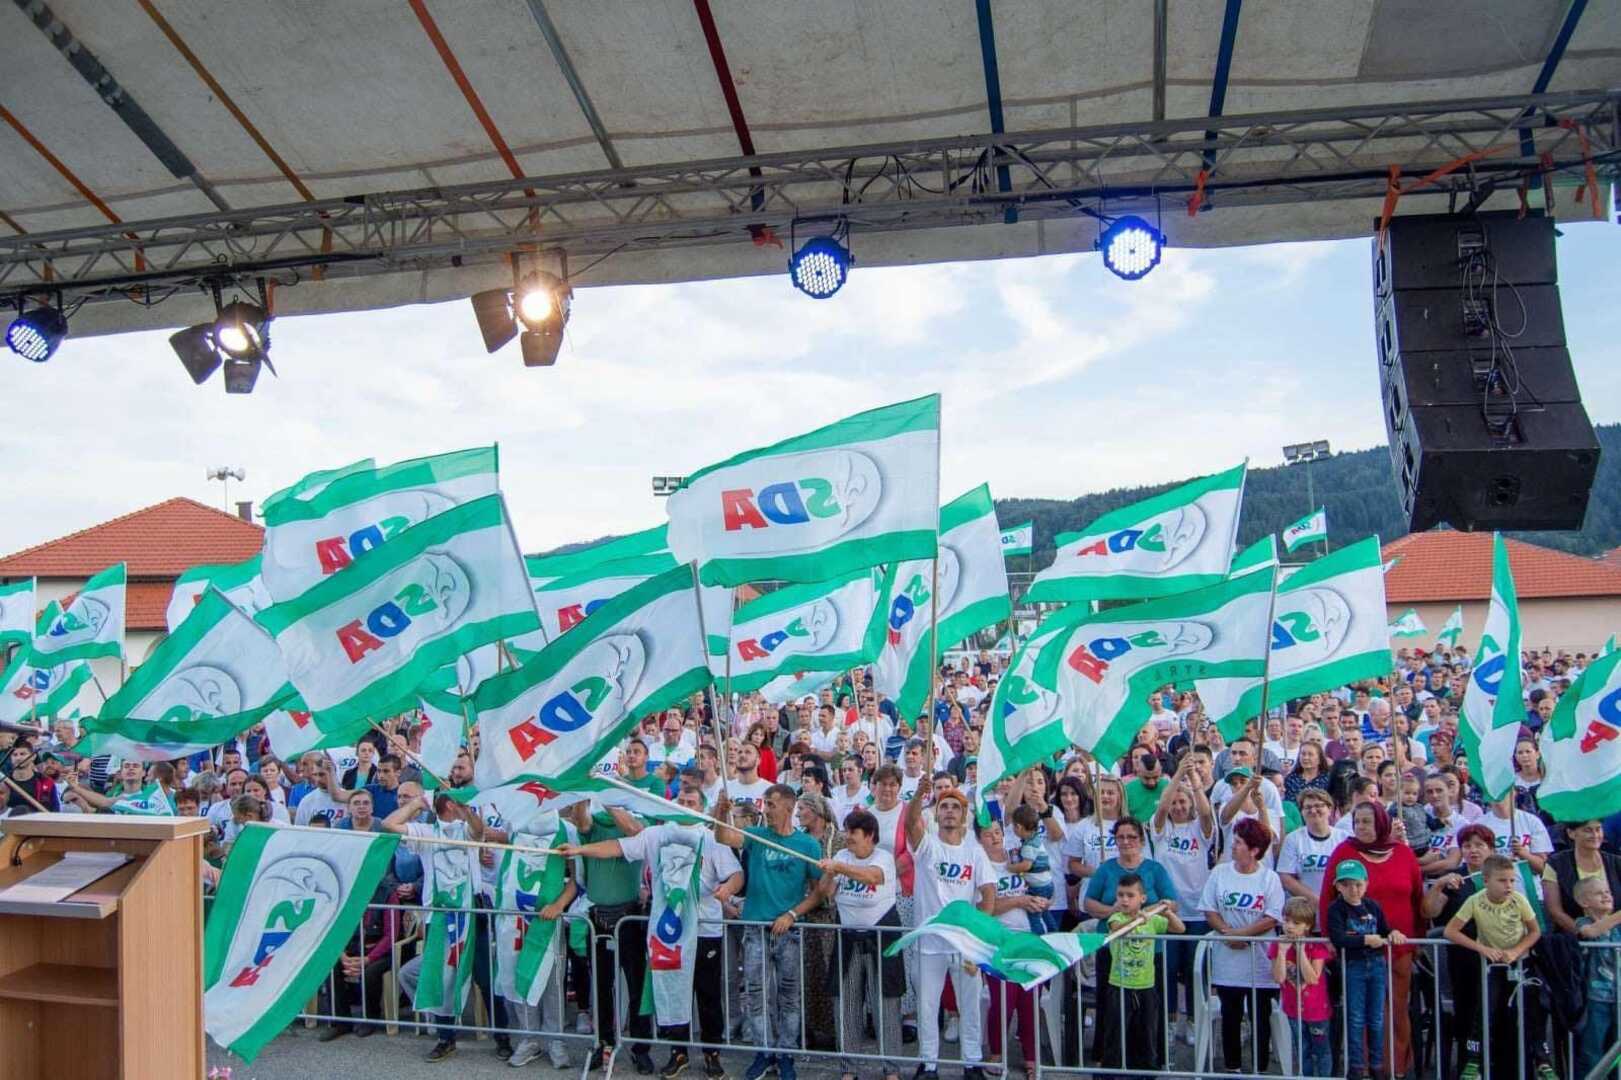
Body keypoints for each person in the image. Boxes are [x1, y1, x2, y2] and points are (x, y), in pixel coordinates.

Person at [565, 786, 742, 1080]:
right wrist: (580, 850)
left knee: (707, 993)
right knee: (673, 990)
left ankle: (712, 1053)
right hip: (669, 933)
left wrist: (727, 889)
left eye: (691, 802)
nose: (685, 805)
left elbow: (736, 874)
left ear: (701, 807)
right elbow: (618, 847)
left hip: (704, 929)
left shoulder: (711, 838)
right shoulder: (657, 835)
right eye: (681, 800)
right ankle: (678, 1052)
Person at [713, 785, 823, 1080]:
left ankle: (785, 1053)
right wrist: (721, 811)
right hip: (756, 928)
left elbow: (818, 892)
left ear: (789, 807)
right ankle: (763, 1052)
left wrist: (792, 914)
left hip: (789, 931)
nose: (767, 810)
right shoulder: (757, 836)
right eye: (765, 804)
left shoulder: (807, 845)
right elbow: (724, 836)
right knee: (756, 994)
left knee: (789, 996)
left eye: (772, 805)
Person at [1319, 801, 1425, 1077]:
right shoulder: (1344, 852)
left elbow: (1418, 899)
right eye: (1357, 822)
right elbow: (1327, 897)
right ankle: (1365, 1069)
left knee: (1396, 1009)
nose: (1361, 827)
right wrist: (1330, 937)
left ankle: (1396, 1068)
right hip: (1358, 952)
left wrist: (1418, 940)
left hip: (1399, 947)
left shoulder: (1403, 853)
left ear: (1381, 822)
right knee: (1361, 1014)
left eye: (1367, 821)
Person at [386, 788, 487, 1063]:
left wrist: (466, 810)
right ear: (445, 805)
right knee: (441, 977)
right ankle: (445, 1038)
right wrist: (417, 804)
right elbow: (389, 825)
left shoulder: (466, 828)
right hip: (438, 916)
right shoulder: (426, 831)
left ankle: (502, 1039)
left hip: (471, 912)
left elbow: (479, 831)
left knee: (484, 975)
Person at [904, 773, 987, 1080]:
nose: (949, 811)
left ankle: (972, 1063)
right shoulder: (927, 846)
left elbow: (988, 892)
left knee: (970, 1006)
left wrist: (979, 935)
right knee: (927, 1007)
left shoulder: (975, 851)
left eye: (955, 807)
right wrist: (918, 796)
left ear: (964, 815)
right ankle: (928, 1064)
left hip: (965, 945)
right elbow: (910, 825)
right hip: (930, 944)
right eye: (944, 806)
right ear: (936, 814)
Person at [1443, 854, 1550, 1080]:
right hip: (1491, 965)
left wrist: (1516, 951)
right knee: (1484, 1011)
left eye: (1511, 880)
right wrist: (1482, 948)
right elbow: (1450, 931)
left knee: (1530, 1012)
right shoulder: (1475, 900)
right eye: (1502, 880)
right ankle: (1474, 1060)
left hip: (1521, 964)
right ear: (1486, 880)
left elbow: (1535, 931)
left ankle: (1542, 1060)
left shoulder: (1519, 899)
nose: (1508, 885)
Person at [816, 807, 904, 1080]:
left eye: (853, 832)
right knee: (846, 1005)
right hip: (848, 939)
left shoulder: (883, 858)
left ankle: (891, 1069)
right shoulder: (842, 856)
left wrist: (839, 867)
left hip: (881, 940)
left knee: (885, 1006)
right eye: (847, 831)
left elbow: (872, 877)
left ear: (869, 835)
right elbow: (825, 893)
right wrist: (828, 873)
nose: (848, 837)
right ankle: (849, 1068)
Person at [1200, 817, 1283, 1075]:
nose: (1233, 846)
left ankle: (1259, 1068)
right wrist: (1228, 933)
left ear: (1254, 849)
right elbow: (1210, 910)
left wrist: (1243, 935)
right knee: (1231, 1014)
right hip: (1228, 960)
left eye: (1238, 843)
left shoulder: (1269, 878)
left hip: (1260, 963)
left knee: (1260, 1016)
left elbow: (1272, 916)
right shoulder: (1220, 873)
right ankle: (1232, 1066)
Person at [975, 817, 1048, 1079]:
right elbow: (984, 908)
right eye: (988, 834)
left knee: (1029, 1000)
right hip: (999, 941)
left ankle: (1031, 1057)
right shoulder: (980, 867)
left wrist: (1039, 901)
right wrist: (1019, 901)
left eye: (998, 832)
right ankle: (996, 1053)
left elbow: (1041, 884)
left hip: (1029, 936)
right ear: (979, 839)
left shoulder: (1019, 860)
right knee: (1003, 1001)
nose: (995, 837)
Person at [1150, 758, 1213, 1047]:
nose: (1178, 806)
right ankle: (1170, 1021)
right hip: (1168, 913)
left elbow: (1206, 812)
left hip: (1196, 912)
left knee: (1194, 972)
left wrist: (1194, 782)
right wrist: (1176, 776)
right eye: (1175, 802)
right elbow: (1161, 808)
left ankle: (1193, 1022)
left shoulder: (1200, 829)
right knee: (1167, 971)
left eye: (1182, 802)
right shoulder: (1161, 830)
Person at [1326, 860, 1406, 1078]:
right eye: (1347, 885)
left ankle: (1377, 1065)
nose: (1353, 889)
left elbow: (1385, 929)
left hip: (1377, 964)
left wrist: (1394, 933)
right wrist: (1365, 940)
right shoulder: (1336, 909)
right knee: (1355, 1017)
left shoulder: (1373, 906)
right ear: (1338, 886)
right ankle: (1356, 1066)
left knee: (1377, 1017)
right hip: (1354, 966)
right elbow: (1338, 938)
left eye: (1358, 884)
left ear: (1366, 884)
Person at [1097, 875, 1181, 1072]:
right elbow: (1119, 930)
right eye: (1120, 895)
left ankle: (1146, 1071)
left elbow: (1179, 928)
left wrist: (1167, 912)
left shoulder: (1153, 920)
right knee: (1116, 1032)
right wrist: (1139, 918)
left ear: (1142, 898)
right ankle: (1111, 1071)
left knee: (1146, 1032)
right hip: (1120, 984)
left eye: (1130, 895)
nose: (1124, 900)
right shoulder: (1116, 918)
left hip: (1146, 985)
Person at [1268, 896, 1333, 1077]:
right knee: (1302, 1050)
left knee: (1321, 1051)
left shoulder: (1316, 946)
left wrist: (1301, 952)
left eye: (1296, 923)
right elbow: (1279, 977)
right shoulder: (1277, 945)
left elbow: (1312, 978)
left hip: (1317, 1010)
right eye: (1286, 920)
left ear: (1307, 926)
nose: (1289, 926)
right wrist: (1282, 953)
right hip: (1293, 1009)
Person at [1574, 876, 1621, 1077]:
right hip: (1595, 998)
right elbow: (1591, 933)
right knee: (1592, 1050)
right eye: (1599, 893)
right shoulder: (1582, 922)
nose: (1606, 896)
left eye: (1608, 892)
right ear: (1584, 902)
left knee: (1617, 1050)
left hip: (1618, 997)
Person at [1544, 817, 1621, 935]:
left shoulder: (1617, 862)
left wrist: (1602, 929)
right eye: (1588, 830)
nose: (1595, 835)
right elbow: (1555, 912)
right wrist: (1584, 933)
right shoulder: (1555, 863)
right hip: (1574, 939)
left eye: (1598, 829)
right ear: (1571, 833)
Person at [1277, 789, 1345, 905]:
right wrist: (1317, 901)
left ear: (1330, 809)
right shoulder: (1293, 839)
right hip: (1306, 906)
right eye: (1308, 807)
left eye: (1318, 806)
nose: (1313, 811)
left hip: (1338, 904)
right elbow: (1286, 877)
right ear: (1302, 812)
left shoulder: (1344, 837)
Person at [1006, 805, 1054, 931]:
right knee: (1044, 911)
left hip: (1038, 887)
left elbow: (1026, 866)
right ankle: (1054, 932)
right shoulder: (1036, 839)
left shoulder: (1029, 846)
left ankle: (1039, 937)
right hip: (1047, 884)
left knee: (1034, 914)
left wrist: (1010, 868)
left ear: (1018, 827)